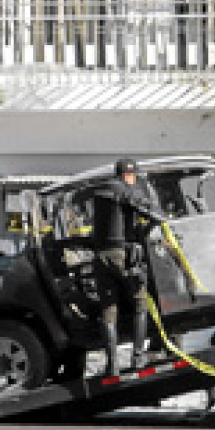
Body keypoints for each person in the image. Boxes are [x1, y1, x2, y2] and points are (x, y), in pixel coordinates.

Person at [91, 157, 166, 377]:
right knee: (140, 303)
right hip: (120, 254)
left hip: (101, 257)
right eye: (132, 176)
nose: (133, 180)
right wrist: (159, 218)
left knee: (109, 310)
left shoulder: (102, 190)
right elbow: (144, 209)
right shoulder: (124, 189)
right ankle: (137, 357)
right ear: (128, 175)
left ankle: (112, 364)